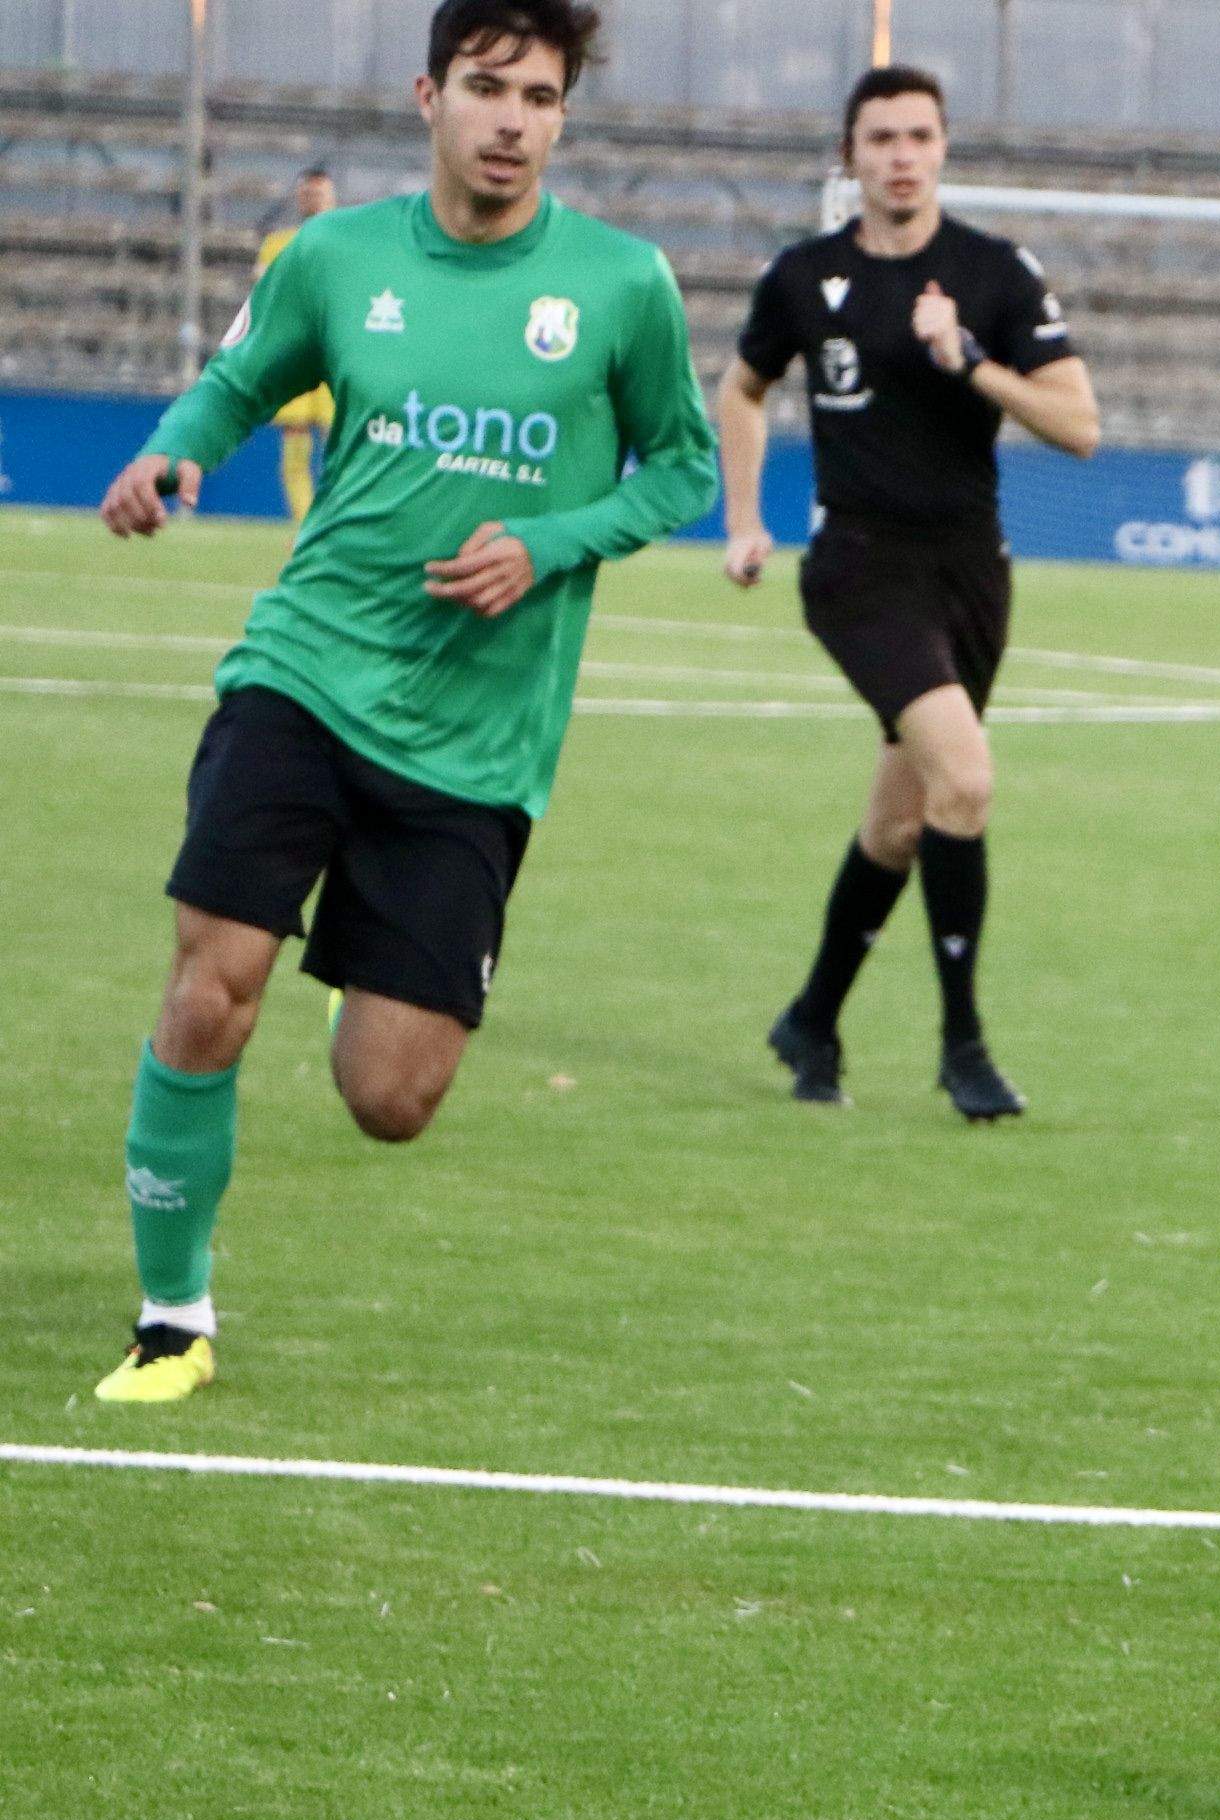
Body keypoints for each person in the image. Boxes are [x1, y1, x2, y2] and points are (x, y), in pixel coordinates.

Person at [88, 0, 716, 1406]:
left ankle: (362, 984)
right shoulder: (338, 255)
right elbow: (240, 381)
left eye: (540, 97)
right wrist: (171, 456)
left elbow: (684, 472)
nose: (512, 120)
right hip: (305, 671)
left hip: (478, 735)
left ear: (563, 116)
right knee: (209, 987)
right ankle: (171, 1319)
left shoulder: (622, 287)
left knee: (391, 1100)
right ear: (428, 95)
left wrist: (548, 542)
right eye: (488, 88)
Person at [718, 62, 1101, 1122]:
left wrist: (967, 357)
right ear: (850, 156)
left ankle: (812, 1018)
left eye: (919, 137)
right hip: (859, 568)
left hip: (972, 570)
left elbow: (1079, 426)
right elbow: (742, 389)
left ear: (943, 149)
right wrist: (744, 519)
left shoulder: (993, 275)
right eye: (880, 138)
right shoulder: (805, 277)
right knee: (966, 782)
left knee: (901, 825)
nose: (900, 156)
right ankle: (964, 1046)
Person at [258, 166, 340, 523]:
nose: (313, 199)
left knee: (340, 443)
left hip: (334, 356)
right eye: (307, 193)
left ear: (332, 198)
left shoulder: (347, 241)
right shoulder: (278, 243)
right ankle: (305, 526)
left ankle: (338, 523)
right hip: (296, 354)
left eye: (319, 194)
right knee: (295, 447)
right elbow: (264, 294)